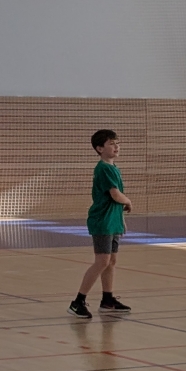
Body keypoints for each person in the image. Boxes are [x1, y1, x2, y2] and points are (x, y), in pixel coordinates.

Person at [68, 129, 133, 319]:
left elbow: (115, 201)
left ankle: (107, 300)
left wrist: (120, 219)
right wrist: (128, 201)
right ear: (99, 148)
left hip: (112, 220)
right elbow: (115, 194)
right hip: (102, 221)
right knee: (102, 261)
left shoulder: (113, 167)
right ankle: (77, 302)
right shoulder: (104, 168)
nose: (116, 146)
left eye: (117, 143)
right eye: (111, 143)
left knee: (111, 261)